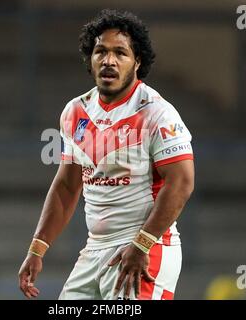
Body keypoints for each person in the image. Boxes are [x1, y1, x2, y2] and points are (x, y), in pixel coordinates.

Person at [18, 9, 195, 300]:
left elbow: (182, 182)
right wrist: (37, 248)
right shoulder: (76, 111)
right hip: (93, 250)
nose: (108, 60)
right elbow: (66, 186)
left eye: (120, 53)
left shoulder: (156, 112)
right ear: (90, 58)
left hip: (145, 247)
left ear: (137, 62)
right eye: (100, 51)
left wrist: (142, 244)